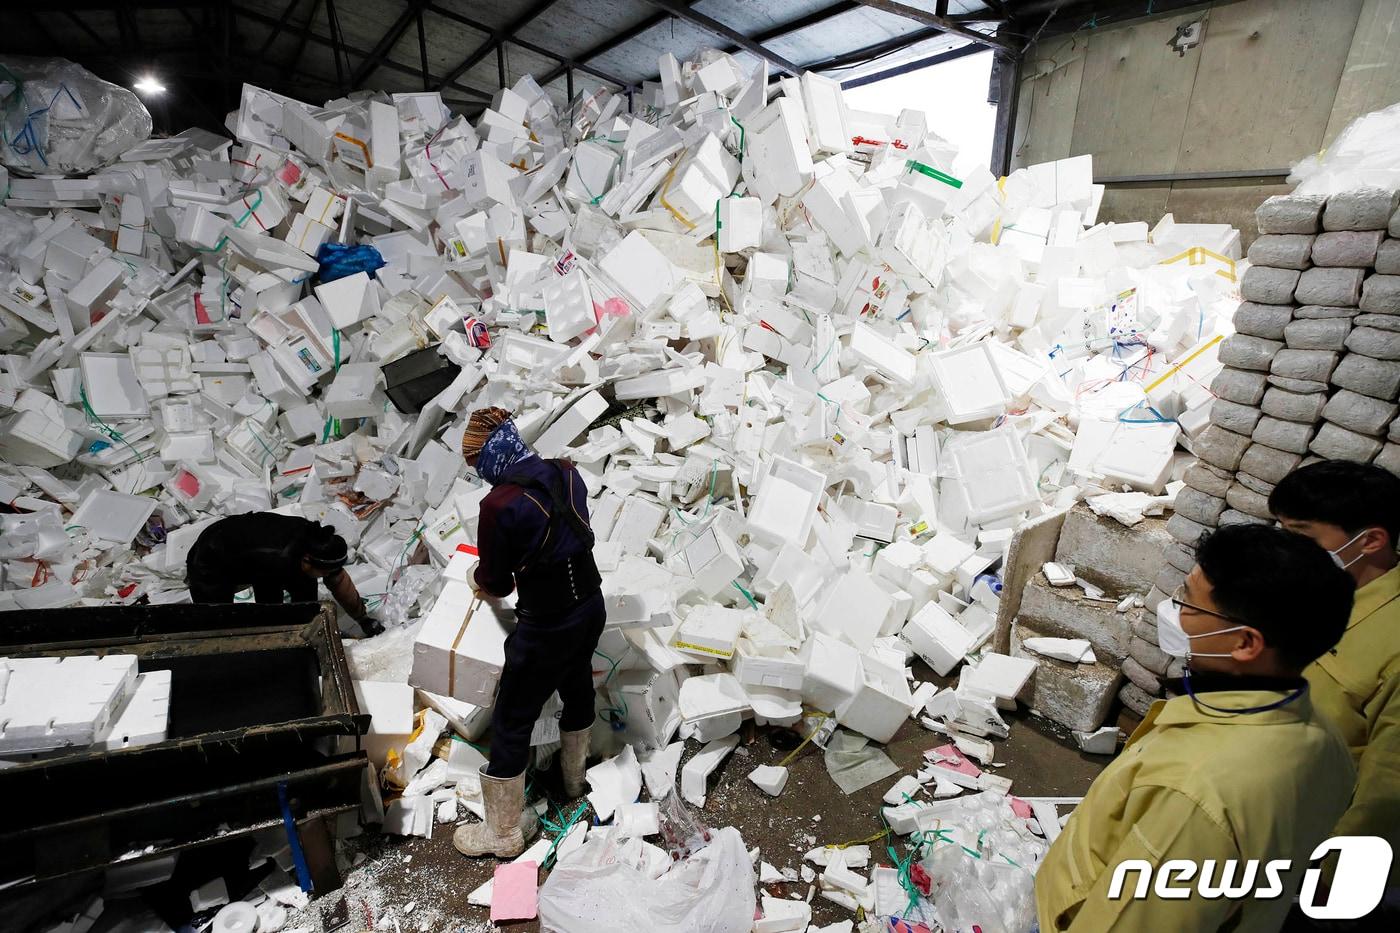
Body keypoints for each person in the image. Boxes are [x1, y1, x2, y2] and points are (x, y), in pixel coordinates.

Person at [1036, 523, 1356, 932]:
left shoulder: (1193, 791)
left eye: (1189, 602)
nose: (1176, 612)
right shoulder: (1325, 741)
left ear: (1245, 643)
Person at [451, 407, 604, 859]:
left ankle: (502, 834)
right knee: (577, 683)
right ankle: (574, 778)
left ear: (490, 455)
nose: (481, 476)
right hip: (590, 606)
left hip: (546, 626)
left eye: (478, 465)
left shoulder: (498, 505)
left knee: (512, 717)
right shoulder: (566, 472)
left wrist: (477, 576)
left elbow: (497, 583)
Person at [1269, 460, 1400, 886]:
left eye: (1300, 536)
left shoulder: (1393, 642)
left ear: (1372, 540)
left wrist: (1332, 877)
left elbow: (1387, 785)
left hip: (1313, 838)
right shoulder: (1310, 590)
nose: (1285, 548)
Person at [186, 512, 382, 637]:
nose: (328, 577)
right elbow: (269, 608)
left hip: (254, 549)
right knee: (218, 622)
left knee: (306, 607)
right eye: (324, 573)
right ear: (306, 561)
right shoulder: (275, 561)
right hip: (211, 557)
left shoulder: (316, 542)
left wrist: (363, 618)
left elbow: (338, 581)